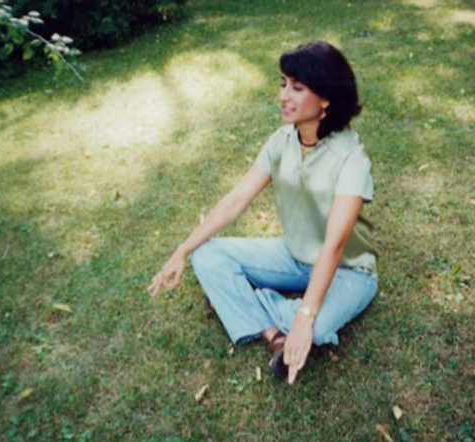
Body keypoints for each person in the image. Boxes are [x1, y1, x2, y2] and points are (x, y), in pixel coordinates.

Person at [147, 41, 378, 385]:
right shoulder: (281, 142)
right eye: (283, 83)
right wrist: (181, 250)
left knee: (317, 328)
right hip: (293, 256)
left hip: (349, 270)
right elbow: (236, 200)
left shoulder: (351, 157)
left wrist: (305, 315)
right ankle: (273, 333)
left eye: (297, 88)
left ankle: (249, 301)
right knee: (207, 255)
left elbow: (334, 244)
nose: (284, 95)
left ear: (326, 98)